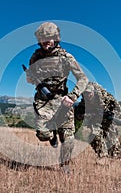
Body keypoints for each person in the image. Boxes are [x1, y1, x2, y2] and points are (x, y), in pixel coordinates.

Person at [26, 22, 88, 172]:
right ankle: (51, 134)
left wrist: (72, 96)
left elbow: (83, 79)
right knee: (43, 134)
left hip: (63, 100)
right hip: (43, 101)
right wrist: (30, 77)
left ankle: (64, 166)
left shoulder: (66, 57)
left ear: (56, 38)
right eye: (43, 39)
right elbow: (30, 78)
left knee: (68, 138)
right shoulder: (35, 57)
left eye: (49, 38)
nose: (46, 42)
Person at [75, 82, 121, 163]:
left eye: (89, 93)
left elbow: (118, 109)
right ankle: (102, 157)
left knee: (112, 140)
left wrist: (112, 114)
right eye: (85, 93)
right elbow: (78, 114)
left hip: (108, 120)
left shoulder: (106, 97)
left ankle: (116, 160)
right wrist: (89, 115)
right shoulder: (84, 102)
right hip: (95, 122)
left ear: (93, 92)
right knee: (94, 136)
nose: (87, 95)